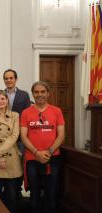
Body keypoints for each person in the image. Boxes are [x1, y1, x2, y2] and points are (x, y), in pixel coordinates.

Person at [21, 81, 65, 213]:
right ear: (33, 94)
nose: (39, 94)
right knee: (34, 195)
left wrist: (49, 153)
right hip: (32, 159)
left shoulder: (56, 111)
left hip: (53, 159)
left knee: (51, 195)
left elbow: (61, 135)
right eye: (36, 92)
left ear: (48, 93)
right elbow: (23, 136)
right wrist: (36, 153)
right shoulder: (26, 112)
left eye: (42, 92)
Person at [3, 68, 31, 198]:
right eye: (6, 78)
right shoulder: (0, 94)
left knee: (19, 163)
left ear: (16, 79)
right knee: (6, 163)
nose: (8, 80)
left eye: (11, 78)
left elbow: (26, 116)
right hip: (3, 137)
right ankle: (7, 190)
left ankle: (17, 190)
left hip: (19, 137)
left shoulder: (24, 95)